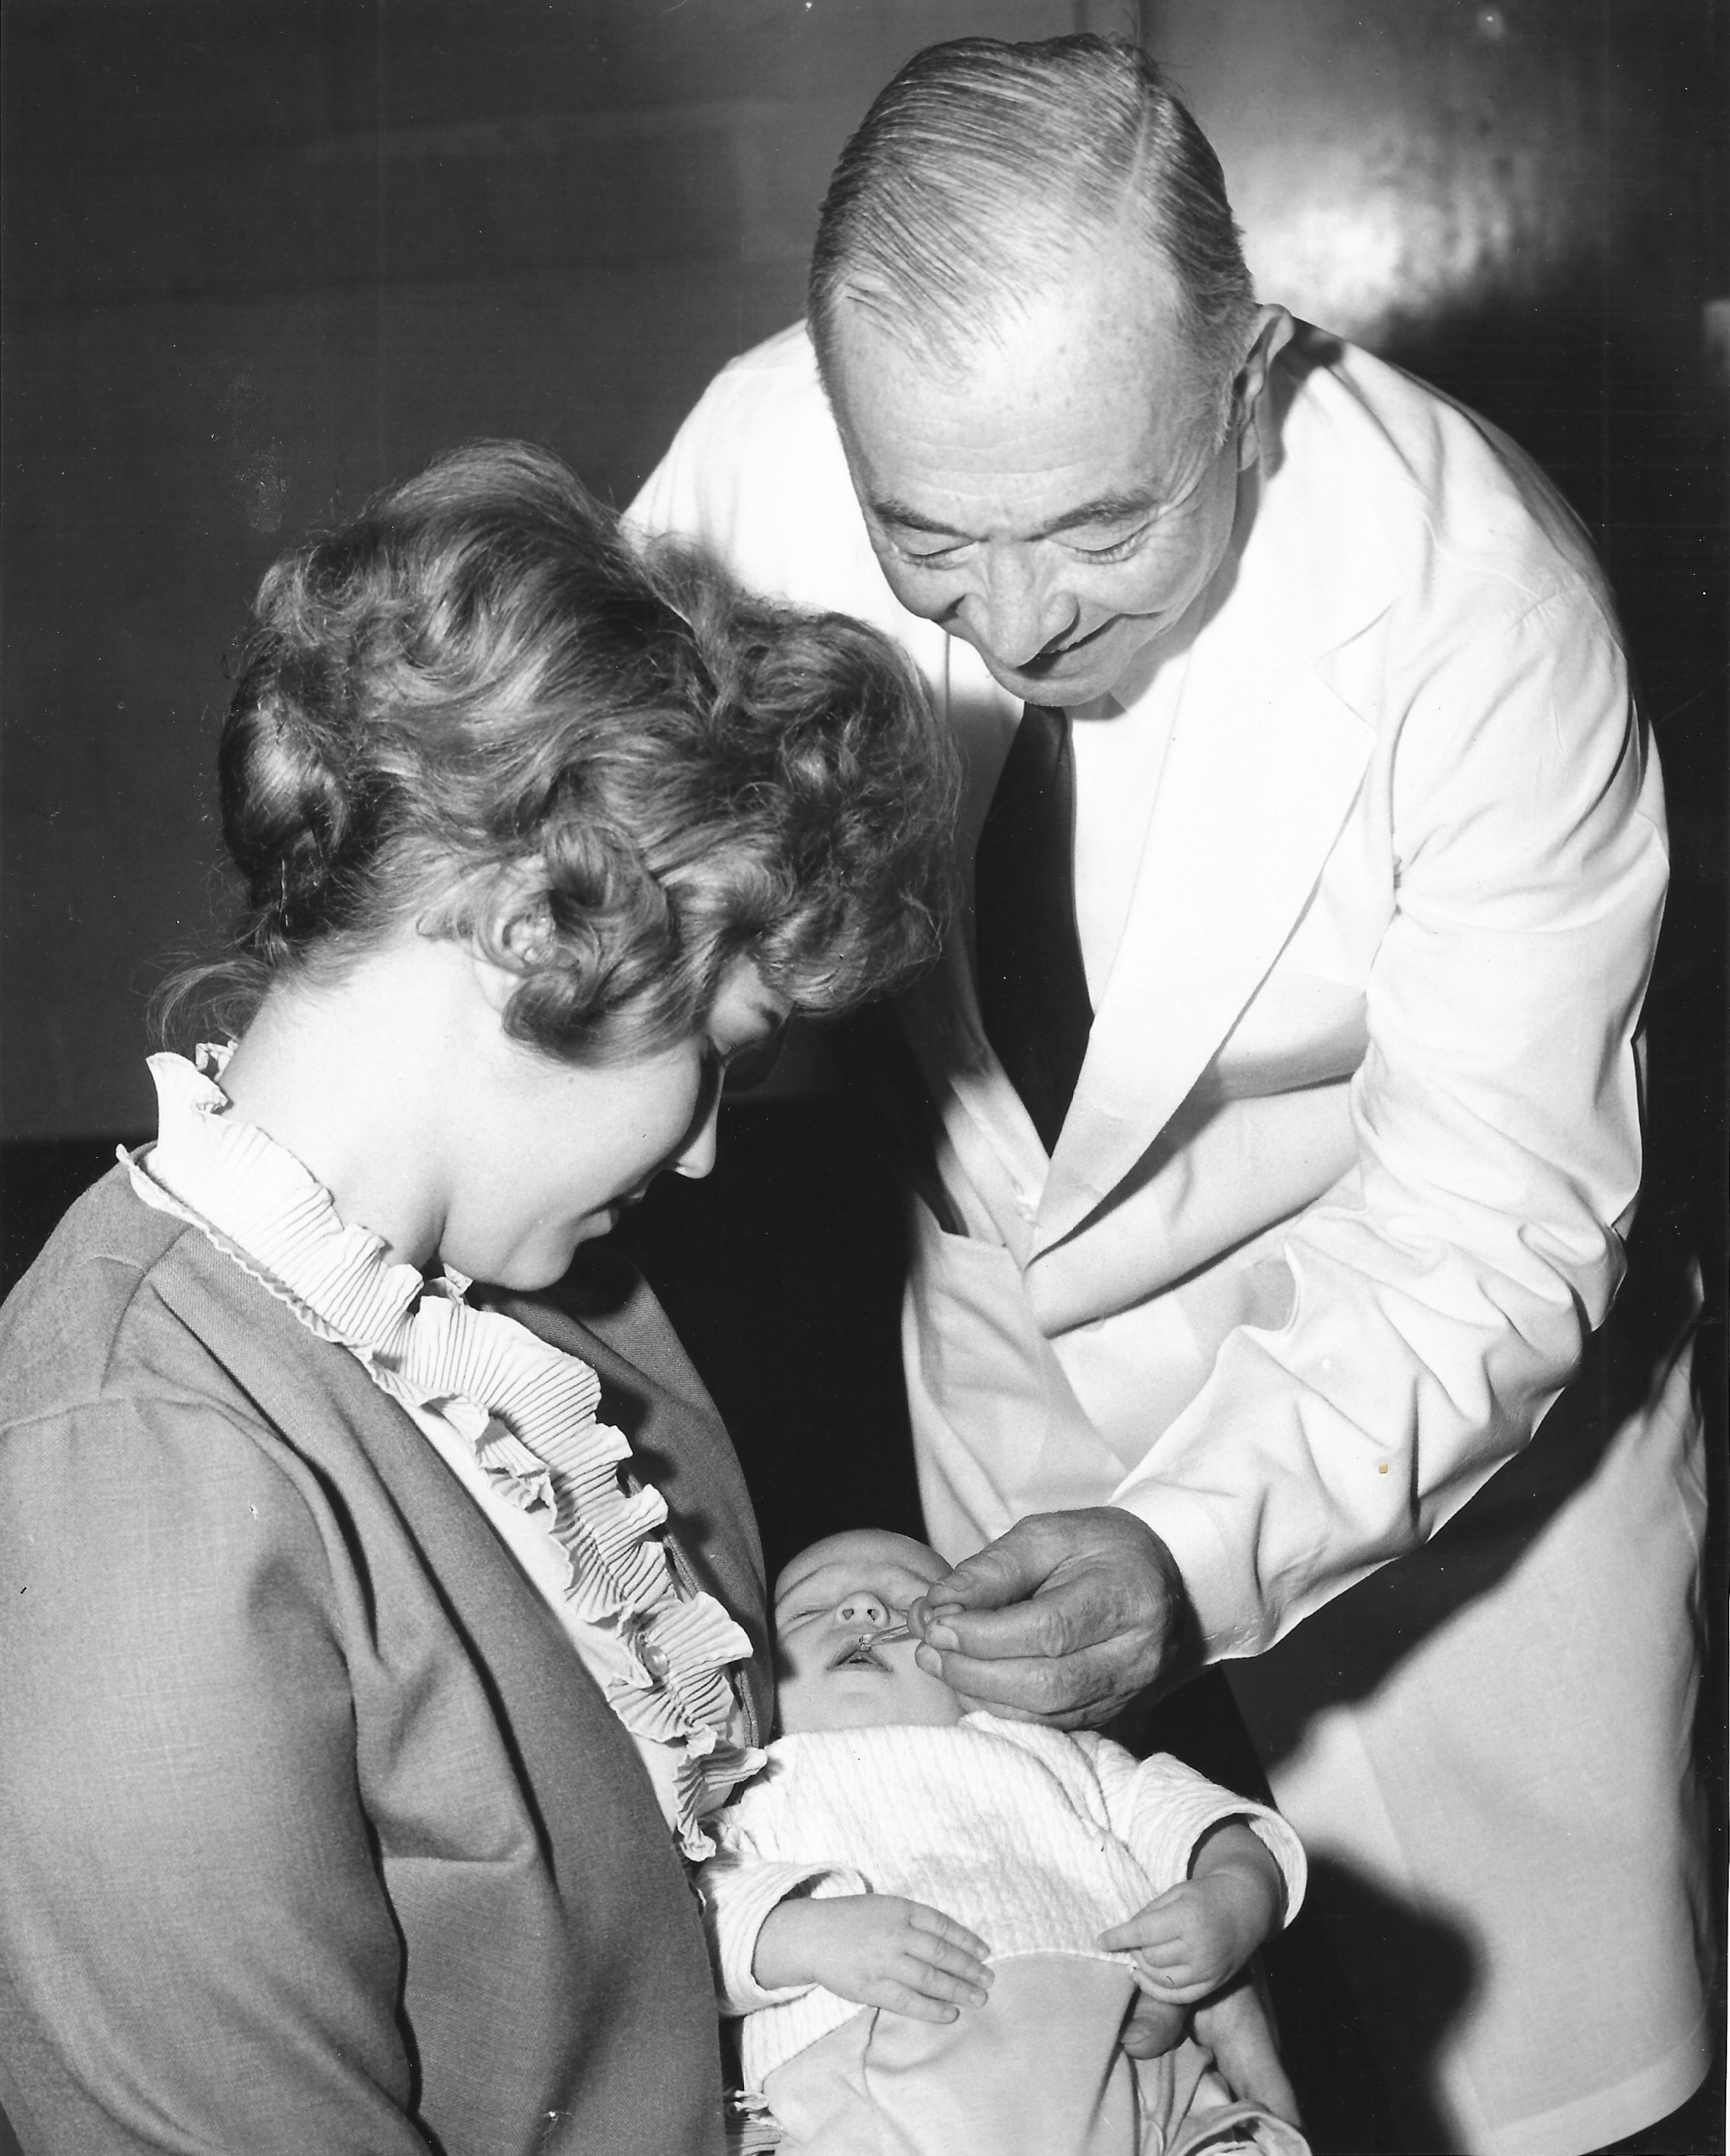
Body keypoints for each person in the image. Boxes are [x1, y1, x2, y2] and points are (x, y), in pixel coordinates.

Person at [628, 34, 1712, 2156]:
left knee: (1526, 2094)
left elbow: (1493, 1219)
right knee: (1055, 2065)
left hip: (1435, 1452)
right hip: (1002, 1379)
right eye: (927, 537)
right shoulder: (753, 467)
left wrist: (1196, 1541)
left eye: (1100, 527)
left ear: (1246, 375)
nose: (1018, 624)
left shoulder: (1481, 606)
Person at [0, 441, 959, 2156]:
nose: (710, 1155)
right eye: (717, 1057)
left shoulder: (558, 1328)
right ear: (529, 930)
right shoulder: (128, 1468)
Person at [701, 1528, 1310, 2156]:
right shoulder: (754, 1788)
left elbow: (1199, 1821)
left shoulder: (1058, 1751)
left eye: (913, 1603)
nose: (862, 1609)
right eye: (806, 1610)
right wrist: (804, 1937)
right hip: (866, 2090)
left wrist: (1235, 1893)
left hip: (1126, 2063)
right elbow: (692, 1933)